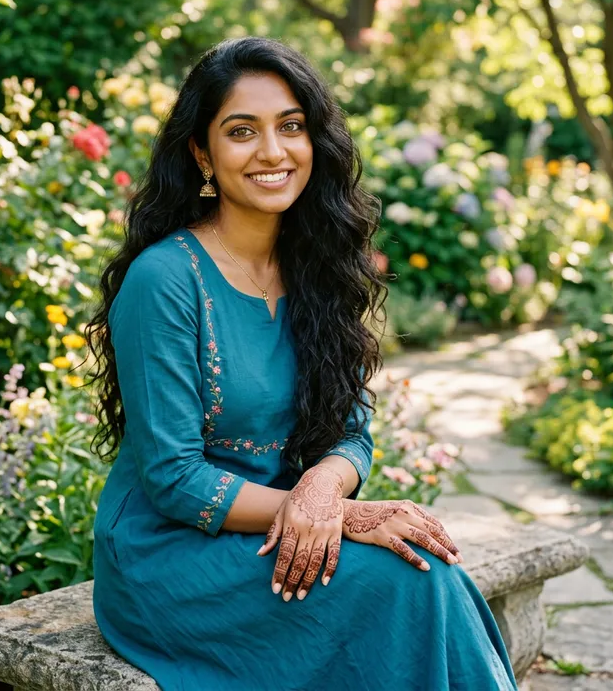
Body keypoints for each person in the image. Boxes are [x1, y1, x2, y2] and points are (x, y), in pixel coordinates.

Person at [86, 36, 518, 691]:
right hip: (173, 557)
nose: (273, 151)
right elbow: (174, 477)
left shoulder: (315, 263)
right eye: (242, 131)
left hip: (290, 527)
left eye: (290, 126)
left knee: (426, 569)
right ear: (202, 153)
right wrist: (340, 514)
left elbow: (353, 431)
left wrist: (322, 489)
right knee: (407, 581)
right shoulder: (166, 280)